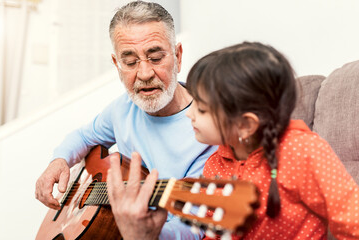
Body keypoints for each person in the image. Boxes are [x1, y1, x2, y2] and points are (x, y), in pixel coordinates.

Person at [35, 1, 217, 239]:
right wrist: (59, 160)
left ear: (178, 55)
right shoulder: (123, 108)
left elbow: (192, 227)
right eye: (130, 62)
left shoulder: (209, 129)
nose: (144, 74)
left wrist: (146, 232)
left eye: (155, 57)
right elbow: (83, 136)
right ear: (117, 65)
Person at [185, 41, 359, 239]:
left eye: (201, 109)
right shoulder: (215, 164)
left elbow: (352, 221)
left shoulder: (303, 150)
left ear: (246, 125)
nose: (189, 114)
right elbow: (215, 230)